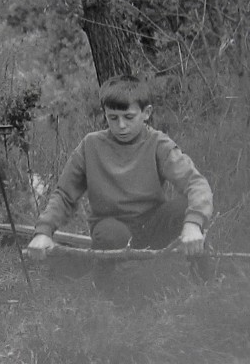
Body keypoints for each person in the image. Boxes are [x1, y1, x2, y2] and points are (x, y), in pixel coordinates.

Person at [25, 75, 214, 289]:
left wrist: (193, 224)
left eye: (129, 117)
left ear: (146, 113)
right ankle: (105, 289)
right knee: (111, 235)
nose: (121, 125)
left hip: (152, 225)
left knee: (183, 208)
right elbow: (64, 195)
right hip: (112, 228)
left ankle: (207, 287)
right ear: (105, 114)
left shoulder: (158, 143)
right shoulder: (91, 146)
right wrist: (43, 232)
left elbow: (196, 184)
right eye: (113, 118)